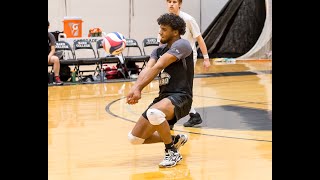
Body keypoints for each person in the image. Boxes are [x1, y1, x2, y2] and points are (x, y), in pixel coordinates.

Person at [126, 13, 193, 168]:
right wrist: (135, 87)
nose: (160, 32)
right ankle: (174, 140)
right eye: (160, 29)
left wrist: (140, 89)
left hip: (181, 97)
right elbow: (148, 68)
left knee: (154, 113)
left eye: (164, 29)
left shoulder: (183, 45)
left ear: (175, 32)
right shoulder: (158, 50)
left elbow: (158, 66)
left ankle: (172, 152)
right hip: (163, 98)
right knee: (134, 138)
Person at [161, 0, 211, 128]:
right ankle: (193, 115)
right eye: (169, 1)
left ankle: (174, 119)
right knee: (170, 85)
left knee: (182, 87)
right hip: (171, 57)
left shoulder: (188, 19)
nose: (171, 4)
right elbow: (162, 40)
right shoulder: (166, 20)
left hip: (187, 57)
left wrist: (206, 58)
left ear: (180, 4)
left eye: (174, 1)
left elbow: (199, 39)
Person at [48, 20, 63, 85]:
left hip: (49, 56)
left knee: (56, 59)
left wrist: (48, 57)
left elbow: (53, 50)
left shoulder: (50, 36)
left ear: (48, 27)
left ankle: (57, 78)